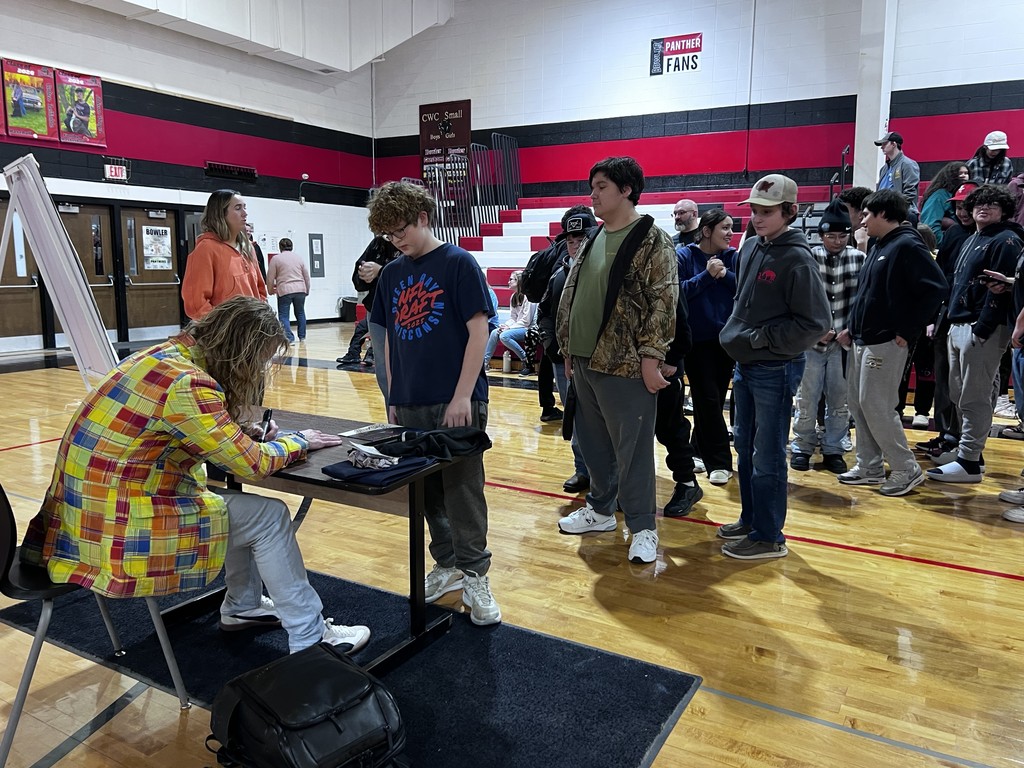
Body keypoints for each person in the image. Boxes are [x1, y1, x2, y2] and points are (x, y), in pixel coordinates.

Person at [19, 296, 370, 654]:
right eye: (258, 360)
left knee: (236, 510)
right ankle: (310, 638)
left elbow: (173, 431)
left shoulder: (157, 359)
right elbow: (252, 465)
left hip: (81, 523)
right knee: (269, 517)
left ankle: (242, 607)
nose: (258, 371)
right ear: (240, 351)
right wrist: (301, 441)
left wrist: (240, 434)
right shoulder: (189, 384)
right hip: (121, 530)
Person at [367, 180, 500, 626]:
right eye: (387, 235)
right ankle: (446, 566)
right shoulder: (391, 274)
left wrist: (463, 394)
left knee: (464, 492)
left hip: (456, 399)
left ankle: (476, 574)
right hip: (409, 402)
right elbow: (384, 339)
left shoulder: (459, 263)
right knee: (427, 497)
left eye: (400, 229)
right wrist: (392, 395)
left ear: (423, 216)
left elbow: (479, 331)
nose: (396, 240)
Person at [555, 156, 678, 565]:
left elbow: (663, 303)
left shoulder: (652, 239)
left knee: (633, 450)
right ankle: (602, 511)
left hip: (626, 365)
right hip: (587, 359)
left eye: (602, 186)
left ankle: (643, 526)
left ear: (626, 190)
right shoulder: (593, 237)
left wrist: (651, 357)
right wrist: (570, 347)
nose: (593, 194)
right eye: (592, 186)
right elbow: (576, 295)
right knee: (593, 444)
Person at [717, 174, 830, 560]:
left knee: (767, 455)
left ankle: (769, 536)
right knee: (745, 448)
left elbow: (816, 323)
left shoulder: (798, 258)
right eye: (754, 210)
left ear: (790, 212)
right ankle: (752, 520)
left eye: (767, 211)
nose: (758, 217)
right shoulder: (750, 247)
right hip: (746, 367)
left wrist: (758, 340)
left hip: (774, 369)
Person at [837, 190, 946, 496]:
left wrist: (907, 329)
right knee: (859, 404)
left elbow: (936, 288)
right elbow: (870, 295)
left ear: (884, 214)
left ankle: (905, 468)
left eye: (868, 213)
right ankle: (869, 466)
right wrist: (851, 327)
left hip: (886, 341)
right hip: (863, 337)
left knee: (878, 405)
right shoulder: (880, 245)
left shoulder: (908, 244)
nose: (863, 218)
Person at [928, 184, 1022, 483]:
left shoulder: (1006, 240)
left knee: (975, 396)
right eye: (980, 203)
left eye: (993, 204)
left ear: (1004, 210)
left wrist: (983, 328)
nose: (984, 208)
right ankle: (971, 455)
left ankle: (968, 461)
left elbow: (1001, 291)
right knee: (961, 393)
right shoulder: (975, 237)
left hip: (980, 328)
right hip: (961, 323)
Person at [790, 198, 865, 474]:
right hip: (811, 342)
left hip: (844, 342)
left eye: (842, 235)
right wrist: (814, 331)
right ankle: (802, 445)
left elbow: (864, 301)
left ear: (849, 234)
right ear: (821, 235)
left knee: (839, 399)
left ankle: (834, 447)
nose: (837, 241)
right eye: (831, 235)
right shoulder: (808, 257)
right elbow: (798, 299)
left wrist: (851, 330)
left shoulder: (860, 259)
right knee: (806, 397)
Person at [676, 209, 738, 485]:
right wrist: (706, 276)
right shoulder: (684, 256)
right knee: (708, 399)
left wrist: (723, 275)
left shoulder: (733, 257)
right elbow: (677, 294)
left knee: (710, 398)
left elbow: (744, 289)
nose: (730, 233)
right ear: (706, 230)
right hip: (696, 342)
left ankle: (697, 450)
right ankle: (721, 461)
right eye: (724, 227)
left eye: (731, 228)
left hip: (725, 341)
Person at [537, 206, 596, 493]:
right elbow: (544, 313)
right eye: (570, 240)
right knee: (575, 416)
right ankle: (582, 470)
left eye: (581, 239)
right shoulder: (558, 274)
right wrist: (551, 344)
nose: (574, 245)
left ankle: (607, 478)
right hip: (564, 361)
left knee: (602, 422)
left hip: (599, 360)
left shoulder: (602, 271)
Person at [182, 190, 267, 320]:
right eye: (238, 208)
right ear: (220, 214)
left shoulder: (248, 247)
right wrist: (222, 327)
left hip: (252, 330)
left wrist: (261, 316)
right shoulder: (206, 249)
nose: (245, 213)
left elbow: (260, 289)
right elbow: (196, 303)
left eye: (245, 207)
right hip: (225, 335)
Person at [338, 235, 401, 402]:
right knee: (382, 368)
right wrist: (364, 275)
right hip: (376, 309)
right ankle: (391, 410)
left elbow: (409, 274)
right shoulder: (377, 244)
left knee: (400, 364)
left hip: (402, 312)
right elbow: (359, 273)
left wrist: (380, 270)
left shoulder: (409, 244)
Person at [483, 270, 537, 376]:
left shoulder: (528, 297)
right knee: (495, 332)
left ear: (519, 282)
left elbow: (526, 321)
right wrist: (506, 325)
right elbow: (513, 318)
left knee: (504, 336)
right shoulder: (513, 297)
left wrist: (509, 328)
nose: (508, 282)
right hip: (518, 326)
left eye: (511, 279)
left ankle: (525, 359)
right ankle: (484, 363)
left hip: (528, 328)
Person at [266, 237, 310, 343]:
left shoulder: (276, 259)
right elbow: (306, 276)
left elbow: (270, 277)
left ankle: (289, 338)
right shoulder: (298, 258)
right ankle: (302, 336)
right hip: (300, 289)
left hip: (284, 290)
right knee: (300, 313)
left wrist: (270, 290)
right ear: (292, 247)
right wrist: (307, 290)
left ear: (280, 247)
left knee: (284, 315)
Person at [919, 161, 970, 244]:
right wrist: (944, 245)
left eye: (966, 173)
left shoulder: (969, 194)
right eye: (960, 173)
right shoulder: (939, 196)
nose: (964, 176)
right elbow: (931, 225)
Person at [875, 131, 921, 217]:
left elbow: (910, 193)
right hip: (884, 213)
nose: (882, 147)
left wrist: (894, 207)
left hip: (901, 213)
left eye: (884, 144)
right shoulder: (883, 169)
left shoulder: (908, 164)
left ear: (893, 144)